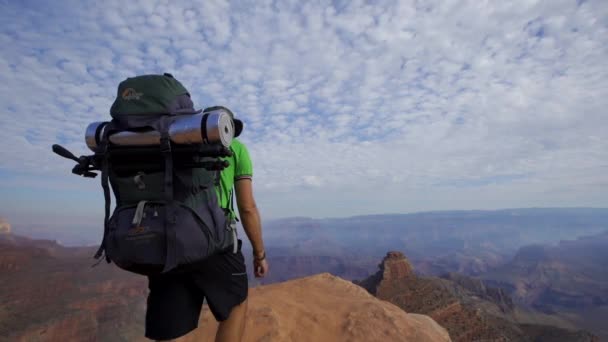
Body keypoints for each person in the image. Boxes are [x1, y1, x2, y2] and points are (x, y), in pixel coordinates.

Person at [145, 107, 269, 342]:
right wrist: (259, 254)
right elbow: (247, 207)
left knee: (170, 325)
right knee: (236, 305)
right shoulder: (237, 149)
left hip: (168, 239)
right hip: (216, 239)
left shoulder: (173, 145)